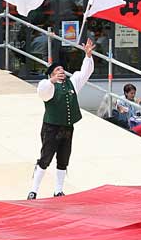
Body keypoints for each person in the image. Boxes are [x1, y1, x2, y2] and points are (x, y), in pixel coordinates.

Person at [28, 39, 95, 200]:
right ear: (51, 74)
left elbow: (85, 73)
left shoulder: (72, 83)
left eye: (62, 69)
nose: (61, 71)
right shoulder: (48, 86)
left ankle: (58, 190)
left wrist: (88, 55)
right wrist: (51, 80)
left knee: (63, 159)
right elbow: (42, 91)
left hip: (67, 128)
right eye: (57, 70)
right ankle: (34, 190)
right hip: (51, 128)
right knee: (45, 158)